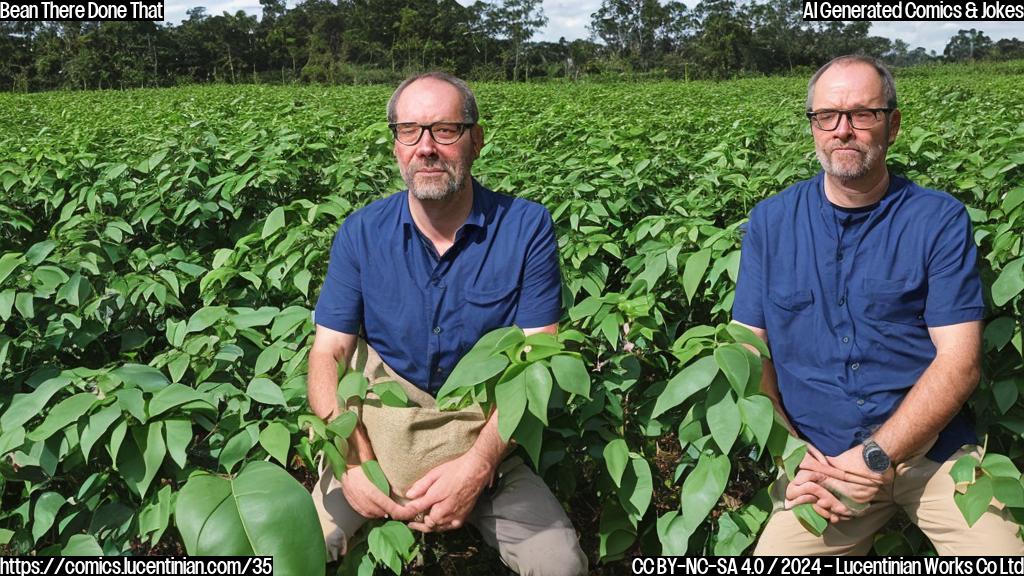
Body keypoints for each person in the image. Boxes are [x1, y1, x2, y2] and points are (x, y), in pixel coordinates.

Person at [732, 55, 1024, 554]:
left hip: (931, 457)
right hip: (819, 464)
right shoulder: (771, 222)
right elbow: (747, 353)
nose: (843, 130)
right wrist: (793, 459)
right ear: (813, 127)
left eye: (862, 114)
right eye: (827, 116)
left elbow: (960, 362)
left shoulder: (937, 219)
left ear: (893, 124)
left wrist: (875, 456)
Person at [306, 71, 588, 575]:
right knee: (301, 549)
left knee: (560, 564)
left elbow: (536, 363)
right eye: (410, 131)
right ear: (395, 145)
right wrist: (352, 465)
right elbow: (327, 354)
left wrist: (477, 468)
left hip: (481, 437)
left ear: (477, 140)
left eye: (446, 130)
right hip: (375, 436)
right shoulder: (362, 233)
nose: (426, 147)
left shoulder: (525, 228)